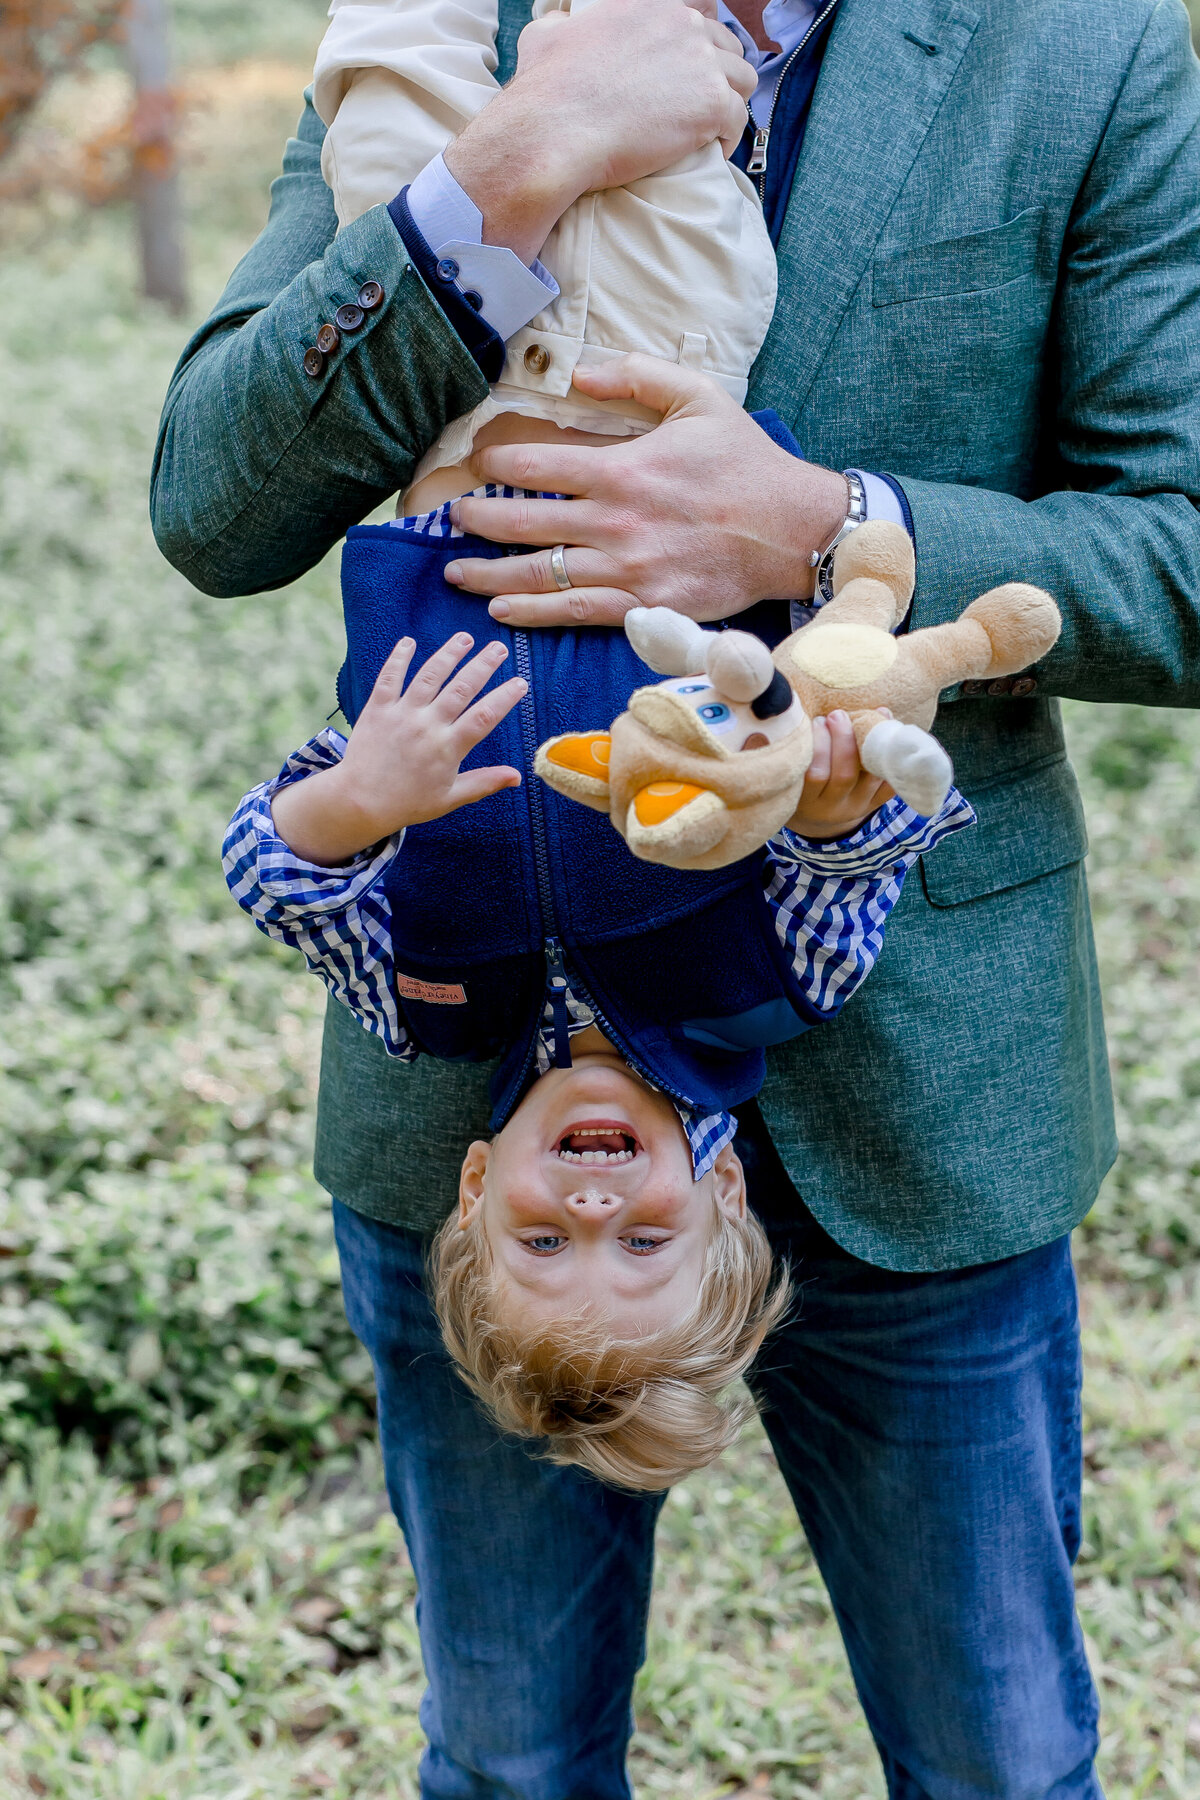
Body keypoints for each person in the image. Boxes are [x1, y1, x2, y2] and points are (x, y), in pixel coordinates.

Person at [151, 0, 1200, 1792]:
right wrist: (507, 167)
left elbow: (1179, 550)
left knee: (1003, 1768)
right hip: (475, 1158)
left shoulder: (1087, 47)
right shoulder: (440, 30)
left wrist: (823, 525)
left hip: (931, 1092)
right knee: (509, 1765)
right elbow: (213, 497)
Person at [222, 607, 969, 1489]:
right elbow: (850, 862)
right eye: (644, 1243)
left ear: (474, 1191)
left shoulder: (420, 1002)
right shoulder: (783, 983)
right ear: (726, 1191)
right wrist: (832, 814)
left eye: (543, 1243)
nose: (590, 1207)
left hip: (444, 566)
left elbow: (278, 885)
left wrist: (353, 803)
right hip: (683, 590)